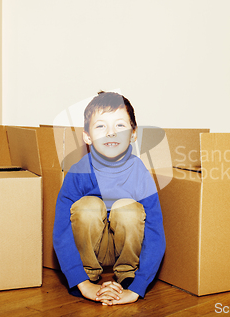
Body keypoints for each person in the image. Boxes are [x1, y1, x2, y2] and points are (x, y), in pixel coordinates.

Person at [53, 91, 166, 305]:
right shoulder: (78, 172)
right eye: (101, 126)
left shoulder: (140, 173)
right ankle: (88, 275)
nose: (111, 133)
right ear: (87, 136)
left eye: (120, 126)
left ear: (133, 133)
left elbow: (155, 231)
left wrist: (138, 287)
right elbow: (61, 231)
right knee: (88, 206)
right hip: (90, 250)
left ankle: (126, 275)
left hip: (124, 251)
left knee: (127, 208)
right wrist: (81, 281)